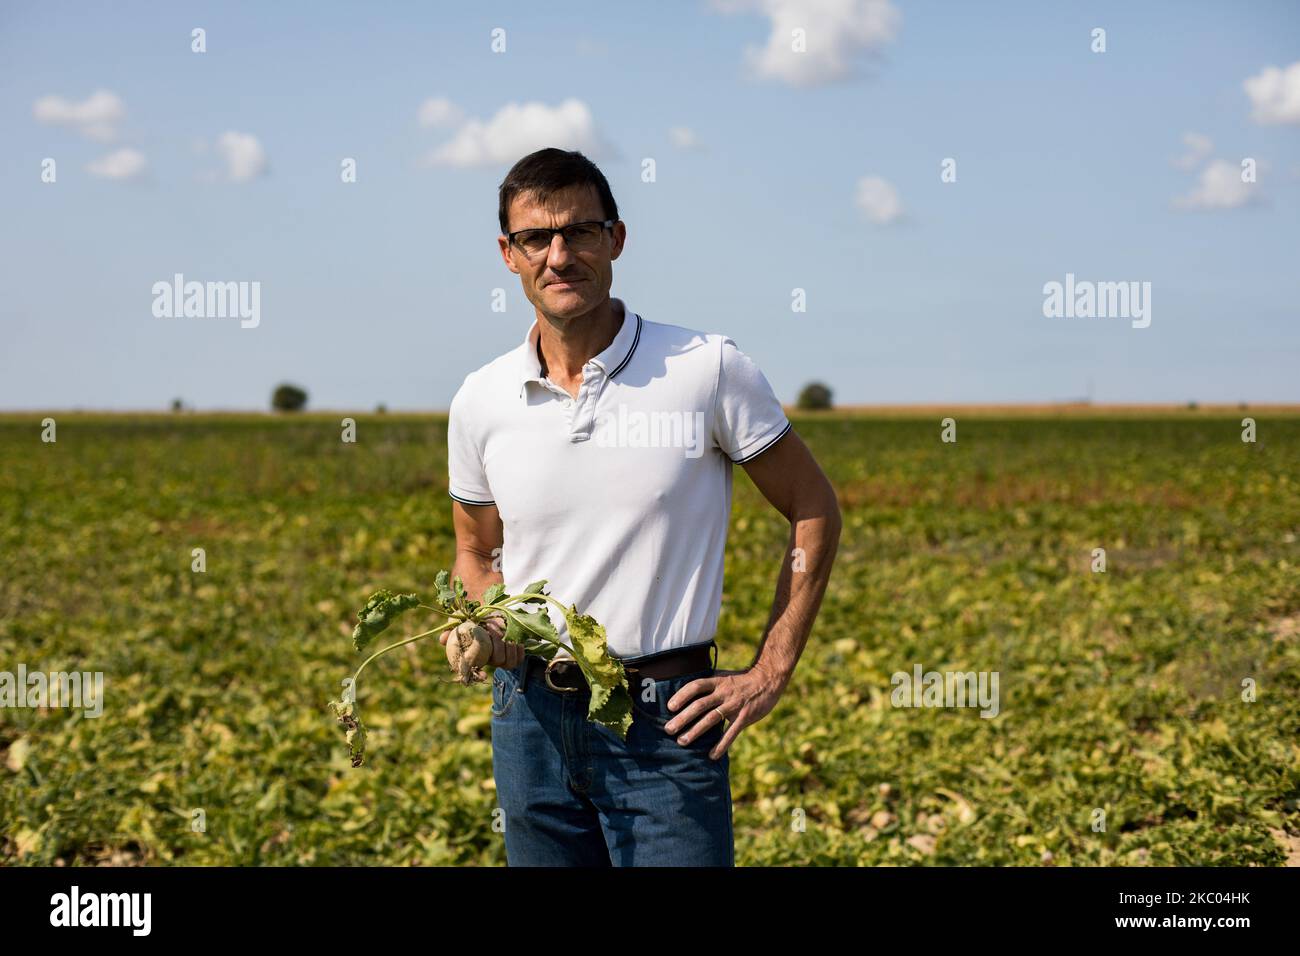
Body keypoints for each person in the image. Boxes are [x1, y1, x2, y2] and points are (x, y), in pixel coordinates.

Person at [444, 147, 842, 866]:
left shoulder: (705, 369)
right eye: (537, 237)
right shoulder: (481, 400)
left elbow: (812, 506)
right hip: (528, 722)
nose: (559, 255)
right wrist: (489, 619)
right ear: (508, 254)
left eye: (580, 232)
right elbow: (476, 550)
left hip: (664, 727)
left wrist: (770, 671)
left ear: (616, 240)